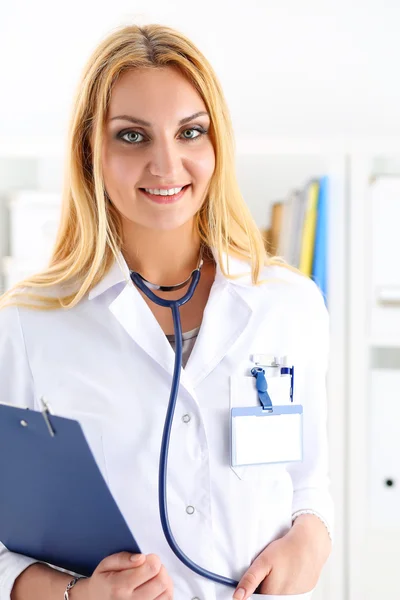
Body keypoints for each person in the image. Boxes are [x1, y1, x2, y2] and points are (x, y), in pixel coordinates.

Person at [0, 23, 333, 600]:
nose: (166, 163)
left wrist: (312, 541)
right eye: (132, 136)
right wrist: (75, 596)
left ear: (216, 144)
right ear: (90, 152)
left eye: (190, 132)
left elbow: (309, 484)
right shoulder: (27, 325)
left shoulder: (289, 304)